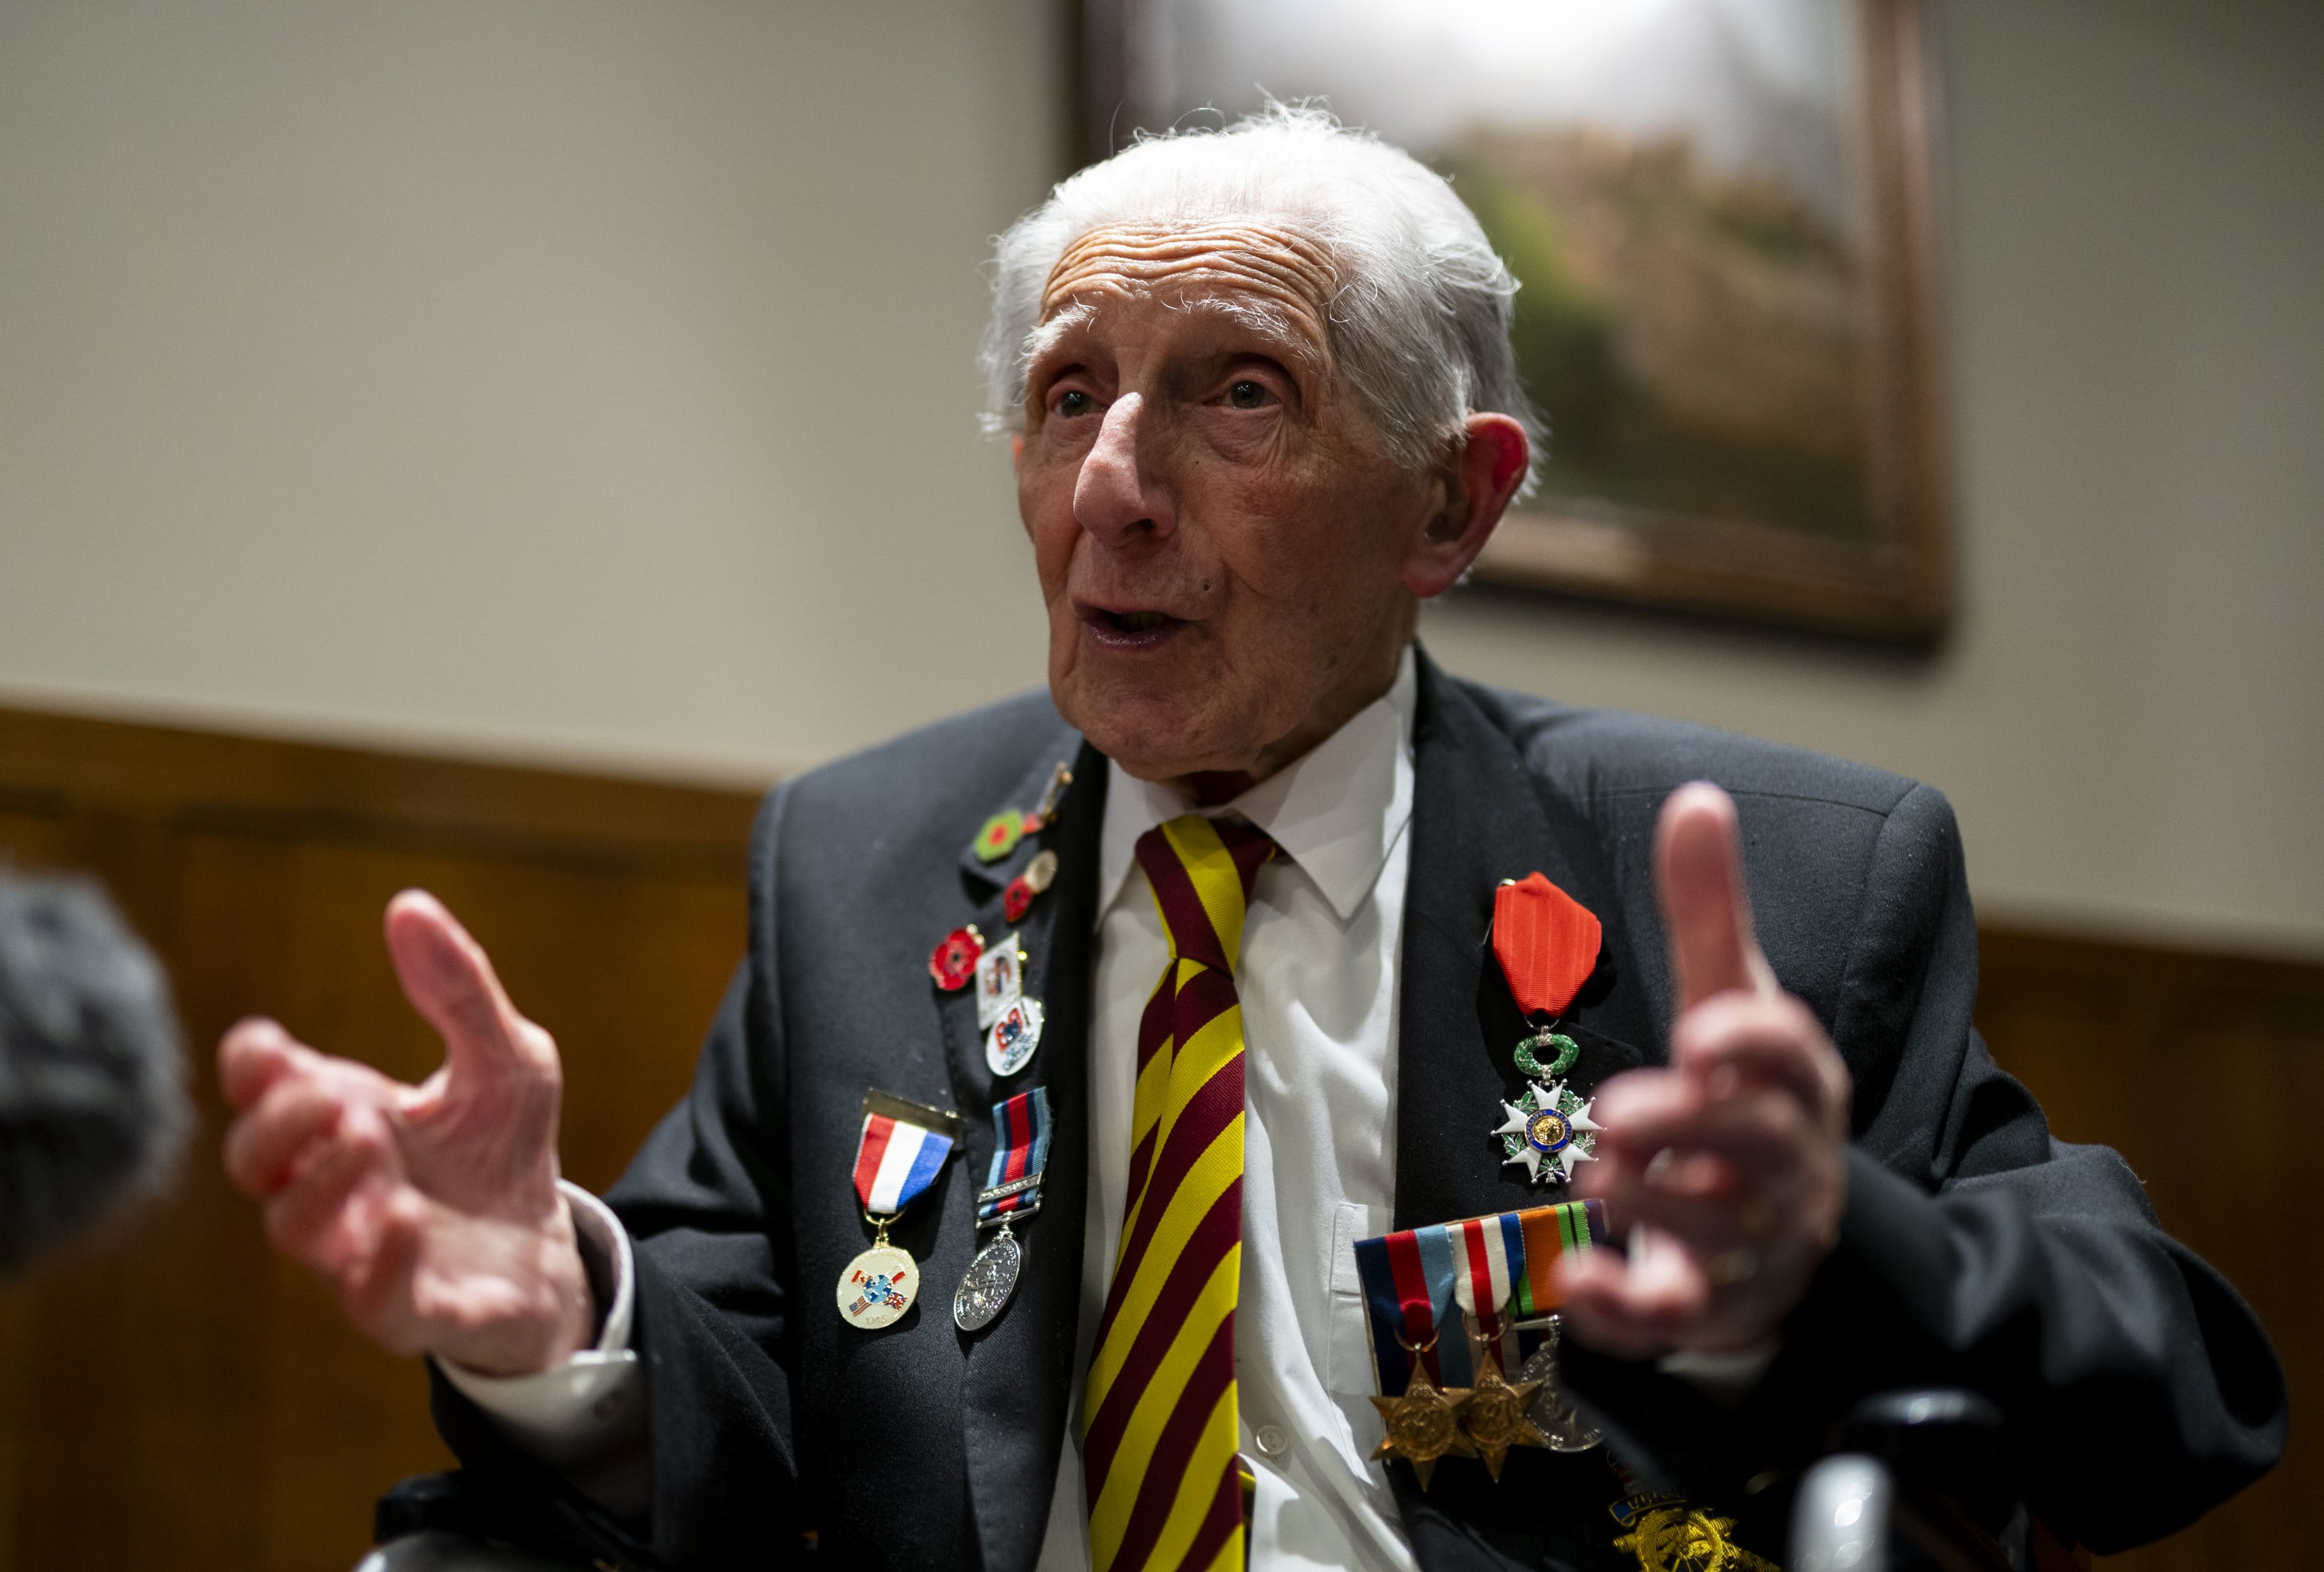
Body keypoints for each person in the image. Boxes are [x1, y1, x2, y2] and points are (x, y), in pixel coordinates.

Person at [218, 109, 2283, 1572]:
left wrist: (1836, 1251)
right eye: (1066, 394)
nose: (1114, 486)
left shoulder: (1774, 882)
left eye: (1236, 395)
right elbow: (749, 1421)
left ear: (1451, 509)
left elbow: (2175, 1387)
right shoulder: (860, 863)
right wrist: (560, 1314)